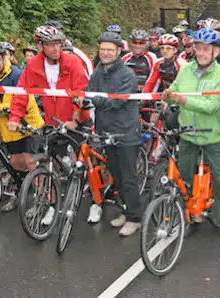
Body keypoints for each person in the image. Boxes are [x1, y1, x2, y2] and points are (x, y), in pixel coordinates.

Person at [8, 26, 90, 223]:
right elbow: (21, 93)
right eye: (50, 44)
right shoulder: (33, 65)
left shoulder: (72, 62)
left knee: (82, 162)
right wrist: (14, 118)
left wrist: (76, 120)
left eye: (58, 44)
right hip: (53, 120)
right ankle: (51, 205)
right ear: (40, 46)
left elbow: (81, 91)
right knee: (48, 162)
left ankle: (95, 199)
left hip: (76, 117)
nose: (55, 48)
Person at [163, 28, 220, 228]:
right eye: (198, 48)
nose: (200, 53)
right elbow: (174, 89)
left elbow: (212, 106)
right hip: (188, 133)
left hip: (212, 136)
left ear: (216, 52)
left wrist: (185, 100)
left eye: (206, 49)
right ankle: (188, 212)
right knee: (183, 177)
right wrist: (167, 94)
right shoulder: (185, 69)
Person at [76, 32, 142, 234]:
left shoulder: (128, 75)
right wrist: (82, 100)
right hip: (106, 132)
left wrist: (93, 100)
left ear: (119, 51)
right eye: (102, 49)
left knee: (129, 177)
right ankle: (125, 210)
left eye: (110, 50)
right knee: (116, 176)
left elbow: (117, 101)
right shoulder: (98, 72)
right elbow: (89, 92)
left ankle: (135, 217)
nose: (105, 53)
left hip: (126, 133)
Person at [0, 42, 44, 212]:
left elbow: (18, 101)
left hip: (27, 124)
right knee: (15, 163)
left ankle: (43, 199)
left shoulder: (16, 74)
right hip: (8, 129)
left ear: (4, 58)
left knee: (31, 162)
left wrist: (0, 110)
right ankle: (18, 194)